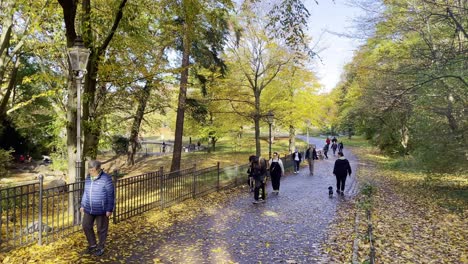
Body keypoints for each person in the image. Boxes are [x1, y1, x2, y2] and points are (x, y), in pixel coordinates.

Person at [80, 160, 115, 256]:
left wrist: (109, 209)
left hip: (102, 209)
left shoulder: (106, 179)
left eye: (93, 170)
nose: (91, 172)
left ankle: (100, 247)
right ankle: (92, 245)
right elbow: (85, 192)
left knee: (101, 229)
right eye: (89, 170)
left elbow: (110, 195)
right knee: (86, 226)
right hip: (89, 208)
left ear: (99, 169)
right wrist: (83, 205)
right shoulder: (88, 178)